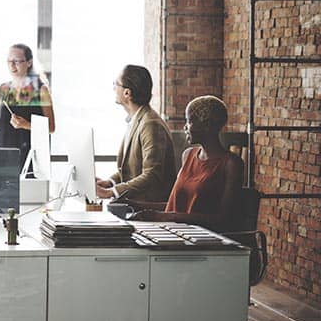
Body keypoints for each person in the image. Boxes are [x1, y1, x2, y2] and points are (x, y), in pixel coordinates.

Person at [131, 96, 244, 232]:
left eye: (189, 121)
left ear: (206, 125)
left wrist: (166, 217)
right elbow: (176, 207)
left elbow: (223, 219)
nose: (185, 127)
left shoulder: (231, 164)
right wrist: (134, 204)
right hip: (175, 233)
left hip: (204, 240)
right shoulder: (188, 155)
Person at [95, 65, 177, 203]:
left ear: (127, 93)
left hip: (149, 209)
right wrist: (110, 182)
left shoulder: (151, 124)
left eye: (116, 84)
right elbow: (132, 169)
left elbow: (151, 175)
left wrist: (111, 193)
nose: (114, 88)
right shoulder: (137, 119)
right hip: (135, 205)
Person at [0, 44, 56, 169]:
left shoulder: (41, 90)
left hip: (30, 158)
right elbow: (7, 124)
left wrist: (26, 124)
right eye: (9, 61)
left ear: (29, 63)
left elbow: (51, 127)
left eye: (16, 61)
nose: (11, 65)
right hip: (4, 158)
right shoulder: (3, 89)